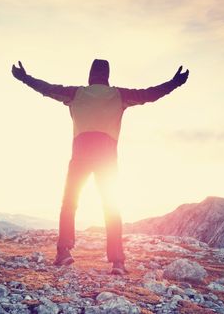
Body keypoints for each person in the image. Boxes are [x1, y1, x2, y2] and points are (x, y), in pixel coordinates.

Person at [11, 59, 189, 275]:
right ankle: (118, 263)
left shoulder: (77, 93)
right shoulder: (118, 95)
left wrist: (24, 77)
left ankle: (64, 252)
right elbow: (149, 94)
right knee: (111, 208)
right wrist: (175, 82)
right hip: (107, 157)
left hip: (80, 154)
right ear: (107, 76)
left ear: (90, 75)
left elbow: (47, 88)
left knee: (69, 203)